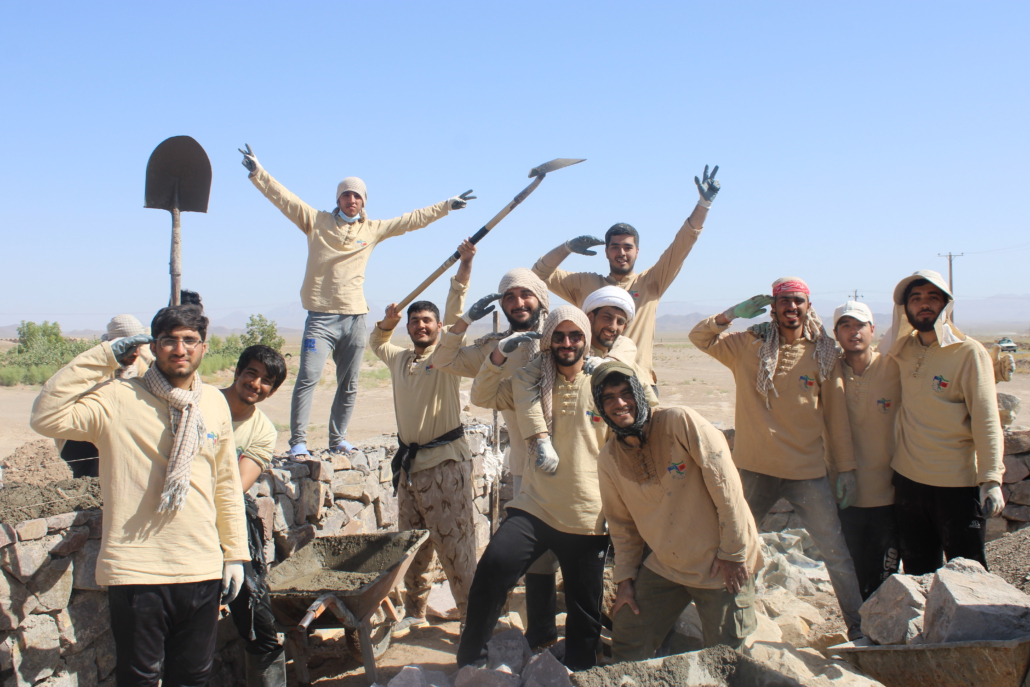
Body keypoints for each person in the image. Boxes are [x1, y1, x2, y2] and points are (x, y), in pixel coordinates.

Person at [30, 305, 248, 687]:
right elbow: (45, 417)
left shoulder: (213, 402)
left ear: (203, 348)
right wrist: (104, 356)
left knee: (194, 677)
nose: (179, 349)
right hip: (137, 572)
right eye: (168, 341)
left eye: (189, 341)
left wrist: (235, 554)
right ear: (154, 347)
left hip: (201, 568)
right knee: (139, 678)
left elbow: (226, 484)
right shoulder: (117, 399)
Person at [240, 144, 475, 457]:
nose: (352, 200)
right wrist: (258, 173)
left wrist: (446, 205)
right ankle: (298, 442)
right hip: (321, 319)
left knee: (349, 383)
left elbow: (410, 220)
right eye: (347, 195)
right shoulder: (316, 221)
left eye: (358, 196)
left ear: (364, 201)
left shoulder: (371, 230)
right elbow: (285, 199)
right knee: (308, 378)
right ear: (338, 199)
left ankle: (338, 439)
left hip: (355, 319)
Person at [688, 277, 865, 640]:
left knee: (836, 553)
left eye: (798, 301)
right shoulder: (746, 344)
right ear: (773, 307)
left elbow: (836, 418)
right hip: (754, 470)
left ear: (807, 306)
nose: (791, 308)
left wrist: (845, 469)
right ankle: (727, 630)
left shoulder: (823, 352)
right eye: (784, 301)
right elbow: (698, 338)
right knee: (733, 548)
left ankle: (860, 628)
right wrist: (730, 315)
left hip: (808, 473)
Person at [459, 306, 608, 672]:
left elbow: (643, 408)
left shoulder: (605, 380)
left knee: (584, 609)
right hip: (536, 507)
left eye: (575, 336)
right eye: (558, 336)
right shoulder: (529, 378)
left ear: (586, 340)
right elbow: (481, 395)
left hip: (588, 514)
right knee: (492, 570)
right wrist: (498, 354)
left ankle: (579, 672)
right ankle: (471, 663)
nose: (566, 343)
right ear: (548, 340)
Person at [592, 361, 763, 659]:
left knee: (726, 657)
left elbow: (728, 489)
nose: (619, 404)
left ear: (640, 394)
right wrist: (625, 581)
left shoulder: (680, 422)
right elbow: (622, 527)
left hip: (720, 562)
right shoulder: (609, 458)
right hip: (668, 565)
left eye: (625, 393)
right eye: (608, 398)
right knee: (628, 635)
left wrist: (734, 553)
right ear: (600, 407)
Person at [433, 268, 564, 648]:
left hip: (580, 466)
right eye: (509, 296)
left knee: (583, 553)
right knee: (536, 560)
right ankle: (541, 638)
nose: (518, 302)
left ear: (541, 297)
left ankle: (584, 639)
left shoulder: (566, 336)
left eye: (526, 294)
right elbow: (443, 359)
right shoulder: (498, 345)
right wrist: (465, 321)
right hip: (527, 469)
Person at [531, 165, 721, 389]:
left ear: (637, 251)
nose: (621, 253)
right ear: (606, 251)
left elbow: (682, 245)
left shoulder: (652, 282)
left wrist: (703, 205)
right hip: (590, 383)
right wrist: (567, 247)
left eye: (627, 247)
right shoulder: (585, 284)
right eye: (615, 247)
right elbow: (538, 275)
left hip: (638, 385)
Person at [370, 241, 478, 635]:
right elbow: (376, 342)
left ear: (437, 326)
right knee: (413, 545)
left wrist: (464, 267)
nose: (420, 326)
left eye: (426, 321)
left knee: (456, 545)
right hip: (411, 469)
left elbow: (455, 311)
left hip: (445, 464)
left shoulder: (445, 355)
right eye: (414, 321)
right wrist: (387, 321)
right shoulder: (400, 358)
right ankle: (416, 610)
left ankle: (472, 618)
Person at [882, 270, 1004, 573]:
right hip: (909, 482)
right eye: (915, 299)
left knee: (969, 572)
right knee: (918, 571)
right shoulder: (904, 350)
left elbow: (986, 419)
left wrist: (990, 479)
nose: (924, 304)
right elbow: (878, 355)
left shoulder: (968, 352)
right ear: (905, 308)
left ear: (946, 304)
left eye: (932, 298)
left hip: (957, 486)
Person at [221, 345, 288, 687]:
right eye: (251, 373)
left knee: (261, 625)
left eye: (266, 381)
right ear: (238, 372)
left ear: (272, 391)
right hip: (174, 528)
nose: (256, 383)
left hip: (227, 524)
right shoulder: (201, 404)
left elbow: (234, 487)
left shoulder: (262, 430)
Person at [829, 301, 901, 599]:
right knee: (854, 578)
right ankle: (860, 639)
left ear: (873, 329)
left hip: (889, 496)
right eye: (845, 325)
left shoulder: (895, 366)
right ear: (836, 333)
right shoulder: (827, 373)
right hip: (846, 498)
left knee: (885, 579)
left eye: (860, 325)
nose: (853, 331)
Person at [57, 314, 154, 478]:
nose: (135, 352)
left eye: (138, 346)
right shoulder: (94, 366)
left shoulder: (139, 364)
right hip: (83, 437)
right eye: (130, 346)